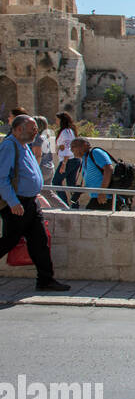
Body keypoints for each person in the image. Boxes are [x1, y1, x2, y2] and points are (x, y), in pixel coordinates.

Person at [0, 115, 71, 291]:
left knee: (39, 241)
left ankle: (46, 280)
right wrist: (13, 202)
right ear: (18, 130)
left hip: (30, 202)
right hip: (17, 204)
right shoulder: (9, 146)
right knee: (9, 241)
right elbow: (2, 178)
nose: (35, 132)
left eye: (35, 129)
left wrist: (34, 194)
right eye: (31, 128)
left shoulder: (24, 146)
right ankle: (46, 279)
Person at [70, 137, 115, 210]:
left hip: (106, 197)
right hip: (97, 196)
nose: (71, 150)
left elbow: (108, 169)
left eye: (73, 147)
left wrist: (103, 191)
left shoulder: (95, 152)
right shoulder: (85, 158)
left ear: (84, 145)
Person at [52, 112, 80, 207]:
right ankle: (75, 205)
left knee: (56, 182)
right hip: (72, 160)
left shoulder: (66, 132)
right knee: (71, 184)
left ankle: (64, 204)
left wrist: (64, 164)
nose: (56, 122)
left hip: (68, 160)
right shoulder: (69, 131)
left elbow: (68, 148)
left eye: (57, 120)